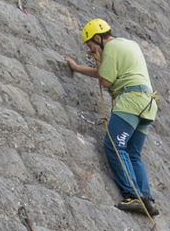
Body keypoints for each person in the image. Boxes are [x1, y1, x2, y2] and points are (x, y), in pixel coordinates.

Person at [63, 19, 160, 215]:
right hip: (147, 105)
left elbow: (105, 81)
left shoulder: (111, 48)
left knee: (114, 145)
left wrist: (98, 56)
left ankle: (133, 195)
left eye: (91, 45)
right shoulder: (128, 44)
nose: (92, 50)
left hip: (130, 102)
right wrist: (77, 68)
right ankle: (147, 198)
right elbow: (105, 74)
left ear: (98, 38)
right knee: (133, 153)